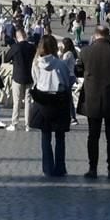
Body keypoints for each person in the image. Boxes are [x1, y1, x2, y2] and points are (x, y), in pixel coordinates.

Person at [77, 27, 110, 179]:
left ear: (95, 36)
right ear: (108, 36)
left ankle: (92, 168)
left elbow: (78, 71)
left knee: (93, 135)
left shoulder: (85, 52)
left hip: (92, 99)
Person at [30, 33, 75, 177]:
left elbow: (35, 80)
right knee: (60, 137)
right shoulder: (60, 64)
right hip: (58, 101)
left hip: (42, 101)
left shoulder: (36, 63)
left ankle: (47, 168)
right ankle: (60, 167)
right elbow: (67, 81)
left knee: (45, 136)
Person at [8, 26, 37, 131]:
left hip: (17, 76)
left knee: (17, 101)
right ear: (25, 35)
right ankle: (28, 124)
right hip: (29, 76)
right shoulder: (32, 47)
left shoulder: (15, 47)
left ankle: (14, 123)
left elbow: (6, 58)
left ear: (17, 37)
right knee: (28, 101)